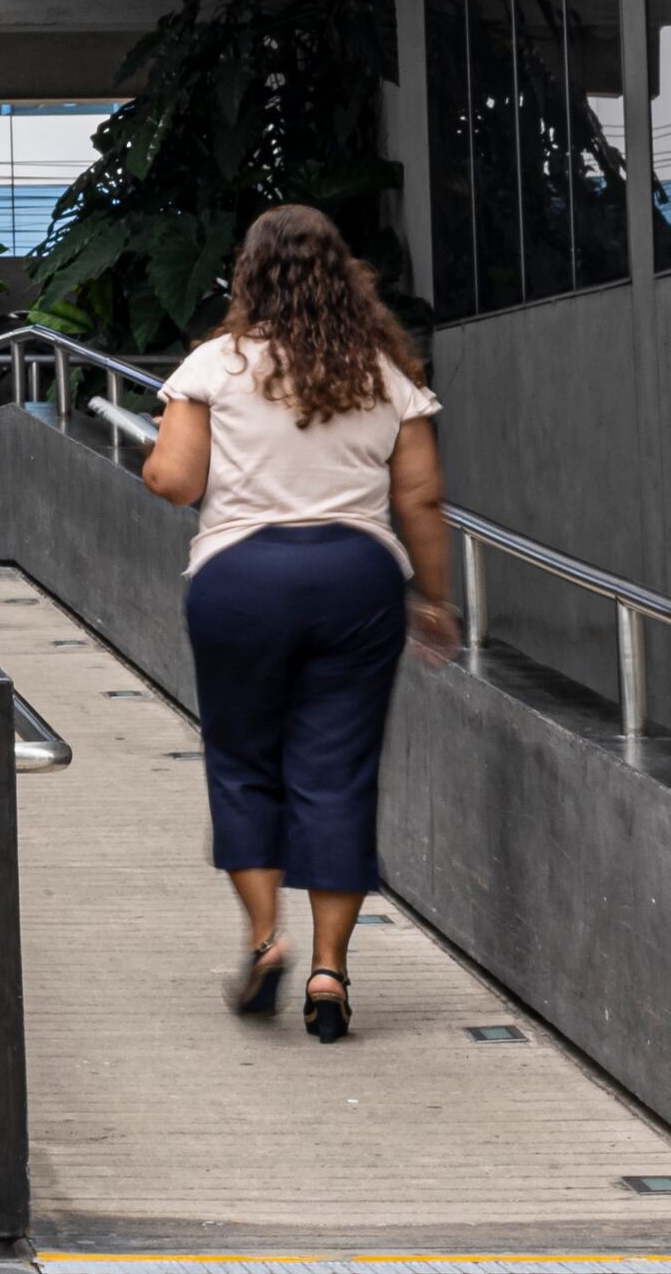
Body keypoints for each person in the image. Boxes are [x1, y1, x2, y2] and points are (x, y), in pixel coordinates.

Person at [135, 202, 458, 1044]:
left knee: (245, 761)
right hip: (356, 580)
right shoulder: (384, 369)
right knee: (337, 769)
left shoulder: (216, 363)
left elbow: (174, 477)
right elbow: (419, 496)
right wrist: (434, 599)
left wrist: (157, 459)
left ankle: (262, 936)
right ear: (340, 271)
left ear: (249, 273)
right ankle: (329, 967)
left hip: (241, 578)